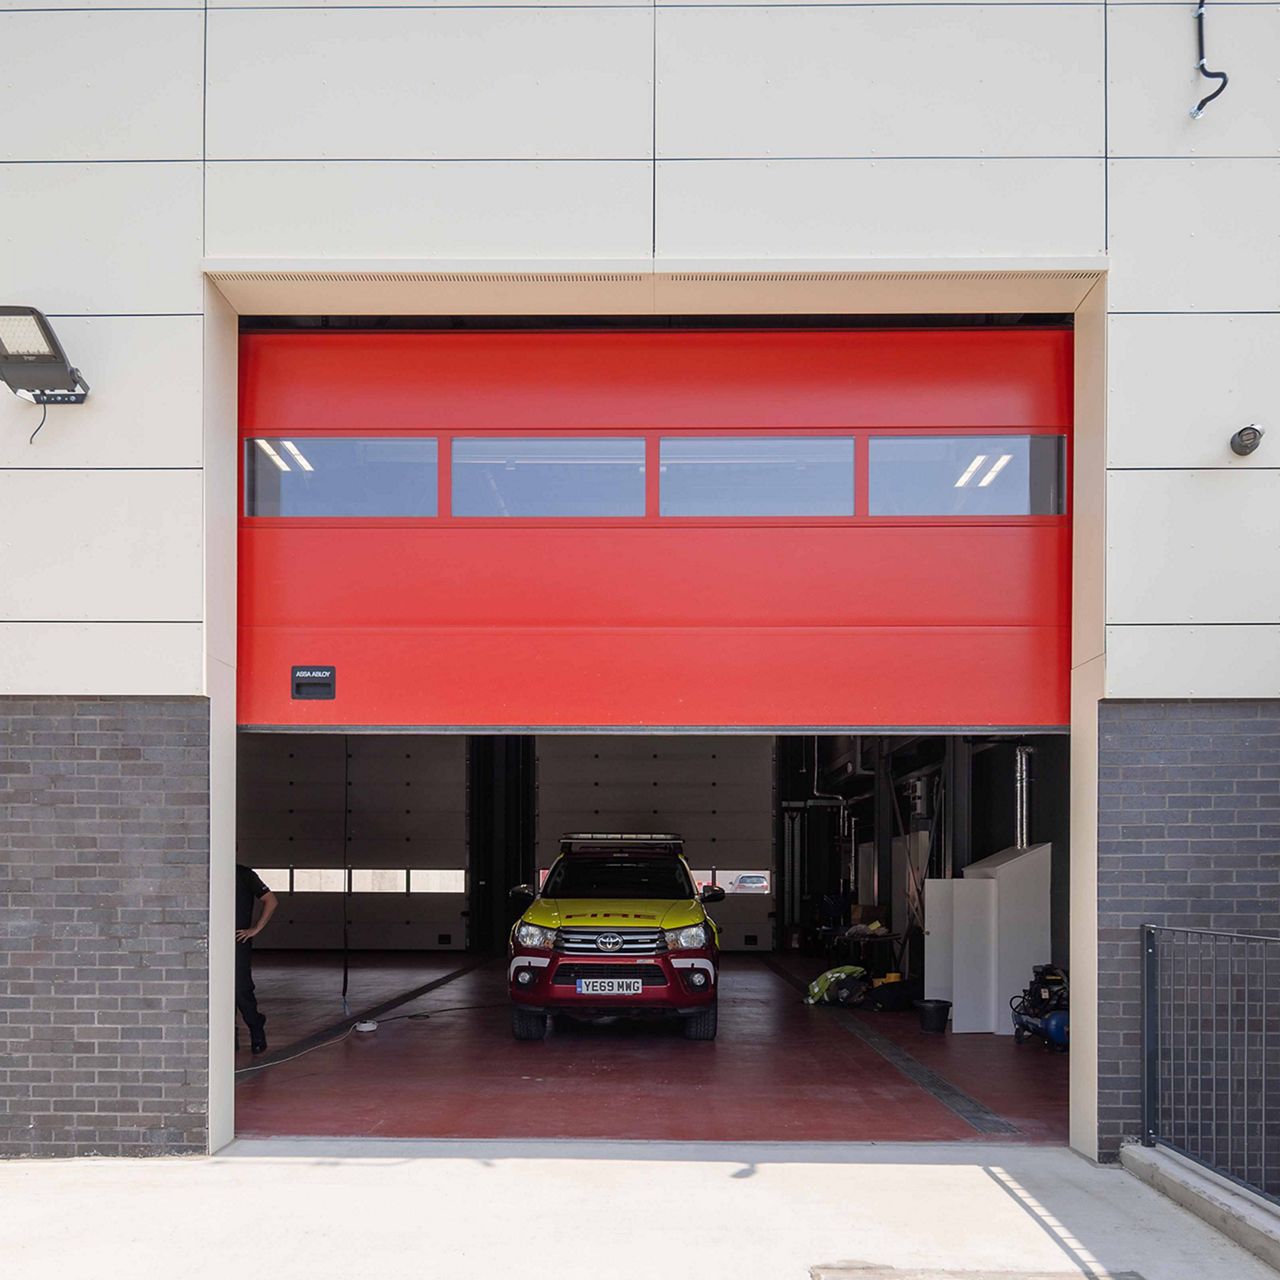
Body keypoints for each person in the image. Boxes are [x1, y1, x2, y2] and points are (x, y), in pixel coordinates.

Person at [235, 864, 278, 1054]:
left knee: (240, 989)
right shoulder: (208, 872)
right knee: (216, 990)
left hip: (238, 939)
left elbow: (271, 900)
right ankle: (229, 1034)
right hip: (211, 941)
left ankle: (255, 1025)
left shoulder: (244, 874)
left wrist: (256, 929)